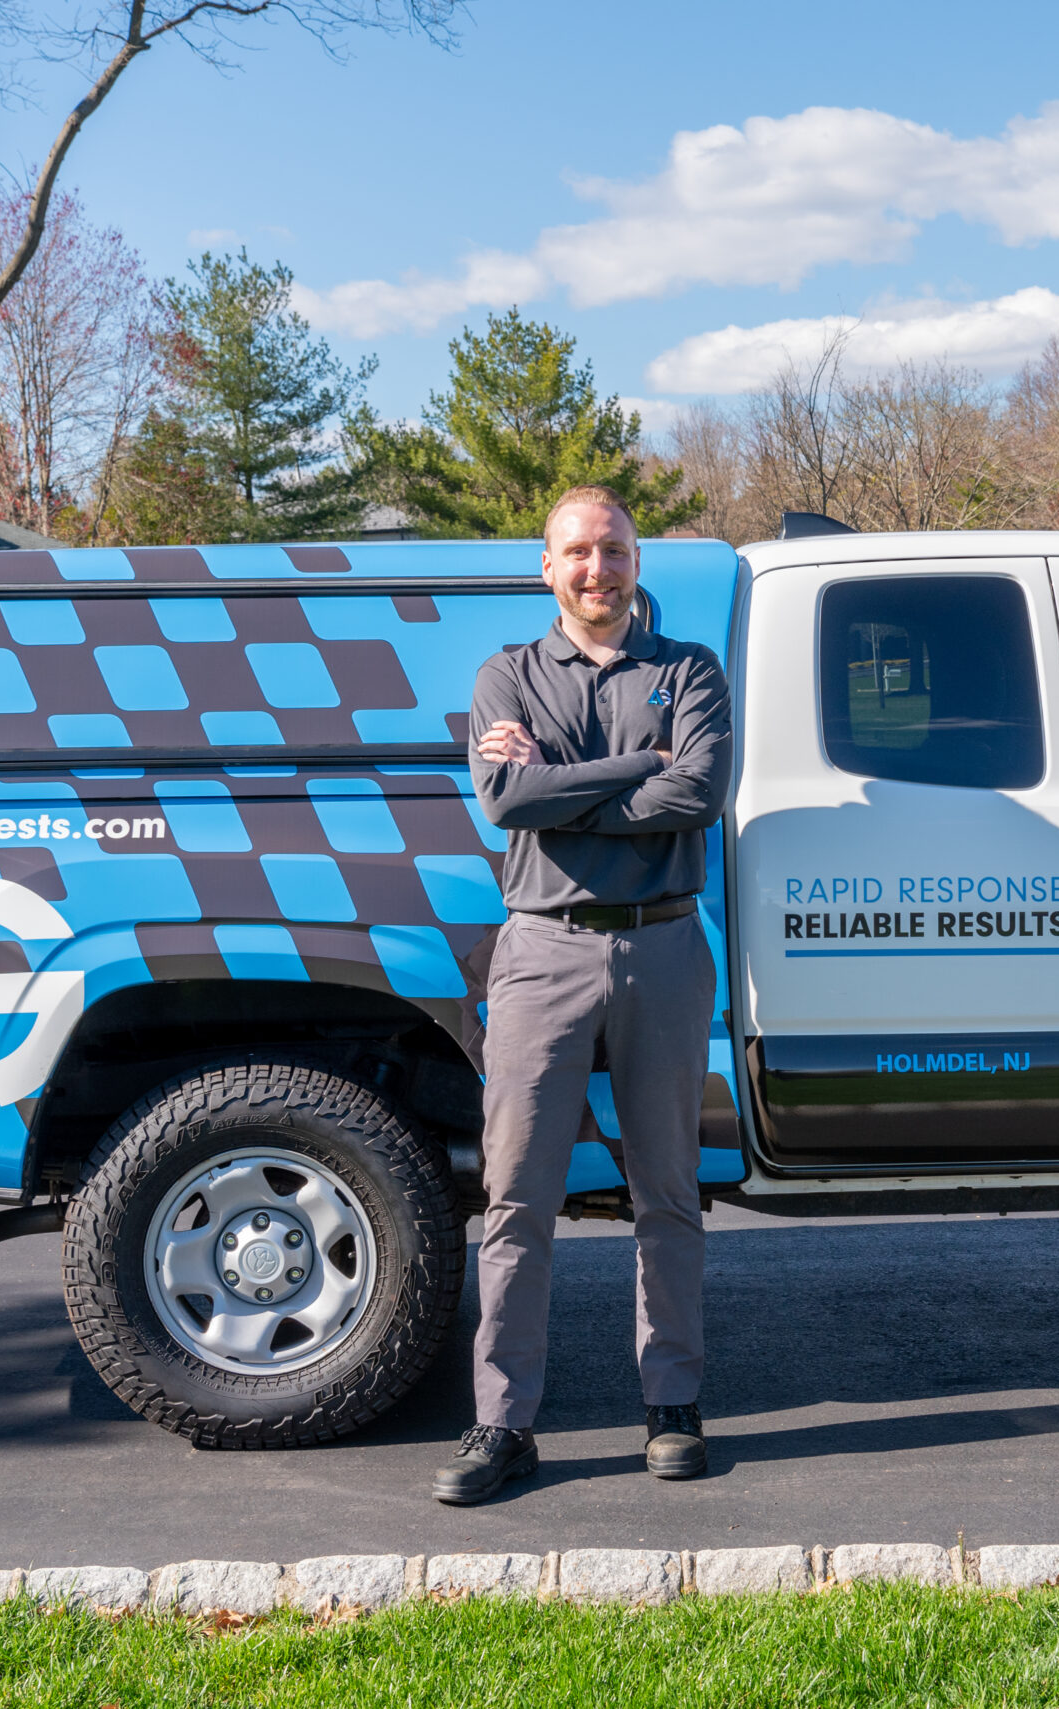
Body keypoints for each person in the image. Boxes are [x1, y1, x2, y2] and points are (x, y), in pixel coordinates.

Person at [433, 484, 732, 1505]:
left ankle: (673, 1406)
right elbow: (507, 799)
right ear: (545, 567)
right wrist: (636, 764)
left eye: (611, 549)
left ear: (634, 559)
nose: (595, 568)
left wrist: (575, 781)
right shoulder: (505, 674)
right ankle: (503, 1424)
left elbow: (695, 793)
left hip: (662, 948)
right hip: (541, 954)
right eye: (576, 552)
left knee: (668, 1191)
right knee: (517, 1197)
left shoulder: (688, 668)